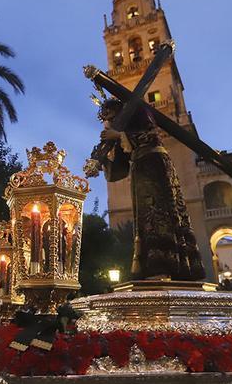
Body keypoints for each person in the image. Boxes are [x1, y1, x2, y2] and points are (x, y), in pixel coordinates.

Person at [86, 97, 205, 280]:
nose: (107, 122)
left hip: (156, 165)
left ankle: (169, 267)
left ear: (118, 111)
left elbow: (152, 135)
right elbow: (119, 169)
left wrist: (118, 136)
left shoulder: (139, 112)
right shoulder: (119, 131)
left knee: (161, 213)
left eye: (109, 117)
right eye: (105, 119)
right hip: (139, 170)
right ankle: (152, 268)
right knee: (146, 218)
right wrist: (101, 162)